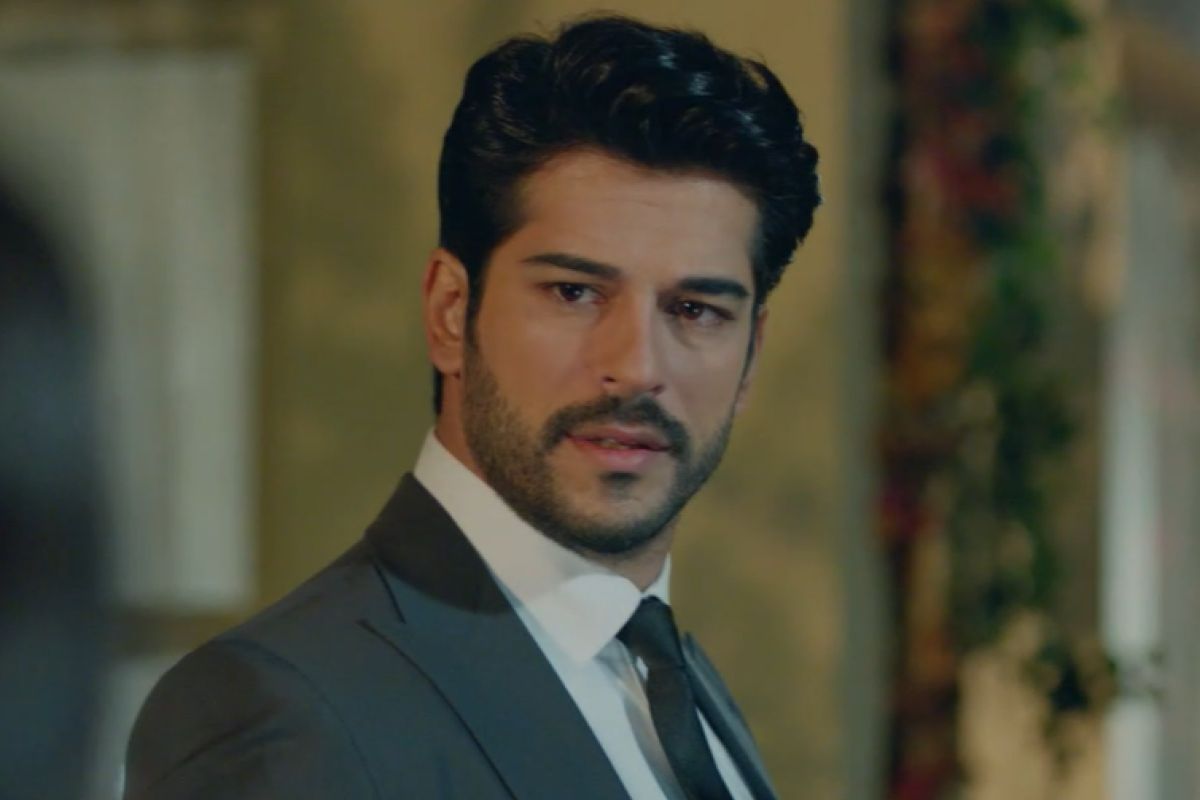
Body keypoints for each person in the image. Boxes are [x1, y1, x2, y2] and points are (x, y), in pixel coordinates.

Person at [125, 14, 820, 800]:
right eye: (575, 293)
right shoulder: (282, 711)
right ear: (451, 312)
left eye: (695, 310)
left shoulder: (678, 690)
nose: (635, 367)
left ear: (751, 352)